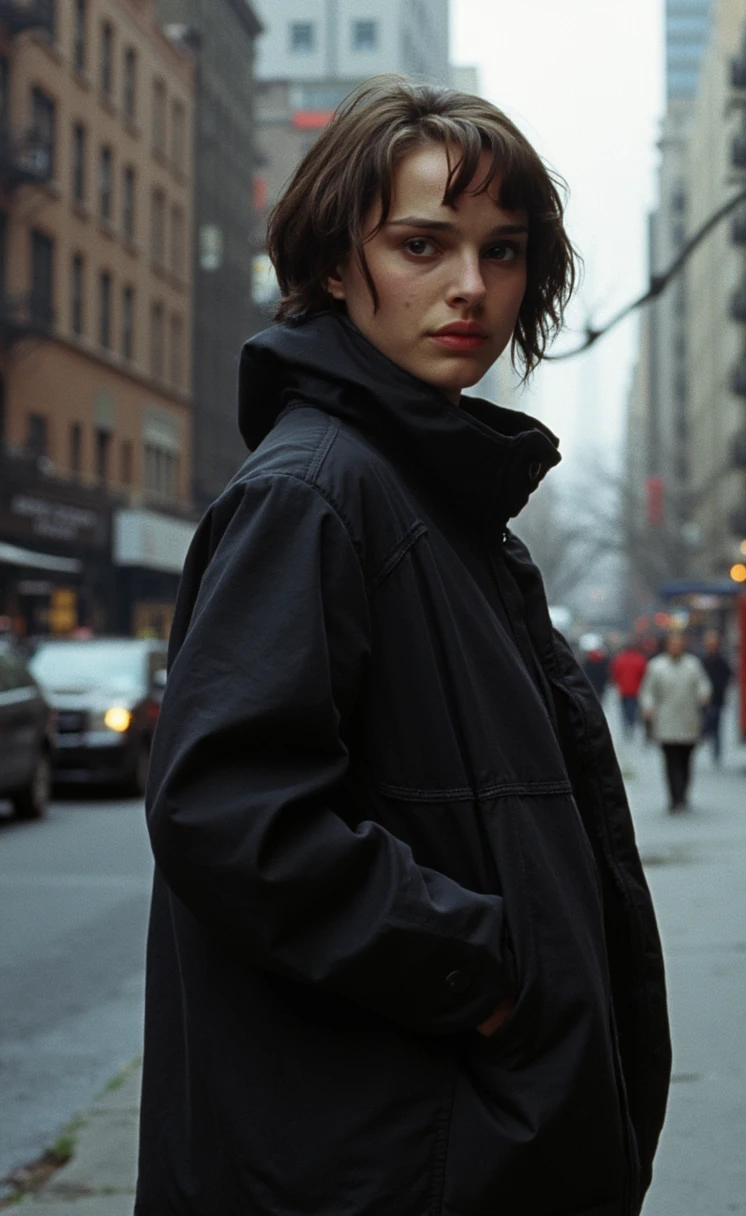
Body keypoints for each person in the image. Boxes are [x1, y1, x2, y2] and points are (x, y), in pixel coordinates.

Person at [137, 78, 671, 1216]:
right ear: (336, 265)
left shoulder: (429, 496)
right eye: (422, 245)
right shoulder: (316, 494)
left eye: (504, 250)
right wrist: (488, 974)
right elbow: (234, 814)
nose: (470, 288)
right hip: (381, 1159)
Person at [640, 631, 712, 811]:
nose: (676, 647)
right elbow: (648, 690)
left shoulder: (693, 665)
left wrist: (704, 695)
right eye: (673, 644)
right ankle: (674, 797)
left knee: (686, 760)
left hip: (689, 719)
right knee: (670, 761)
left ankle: (683, 793)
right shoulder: (656, 666)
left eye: (679, 644)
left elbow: (703, 684)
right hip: (666, 720)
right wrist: (648, 707)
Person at [700, 629, 732, 764]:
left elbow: (729, 675)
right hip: (704, 699)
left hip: (717, 698)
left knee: (716, 726)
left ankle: (716, 752)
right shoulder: (702, 660)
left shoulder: (721, 660)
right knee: (705, 725)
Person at [610, 640, 648, 738]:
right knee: (633, 709)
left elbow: (615, 674)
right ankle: (631, 724)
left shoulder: (620, 659)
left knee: (624, 709)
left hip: (623, 690)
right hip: (636, 690)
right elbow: (644, 674)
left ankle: (626, 724)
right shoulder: (640, 659)